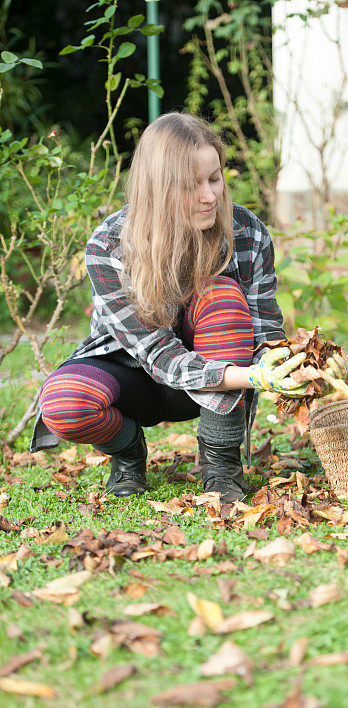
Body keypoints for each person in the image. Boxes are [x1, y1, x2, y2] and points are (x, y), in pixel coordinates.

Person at [30, 112, 318, 503]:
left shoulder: (246, 232)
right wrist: (252, 377)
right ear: (156, 188)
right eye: (190, 185)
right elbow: (160, 357)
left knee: (221, 297)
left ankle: (221, 463)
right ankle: (129, 453)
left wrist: (295, 364)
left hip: (214, 378)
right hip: (133, 374)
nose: (209, 196)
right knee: (65, 403)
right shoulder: (110, 244)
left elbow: (267, 333)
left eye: (214, 178)